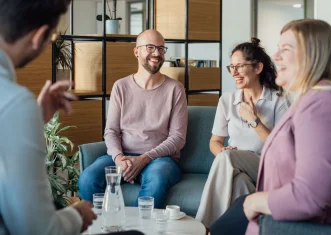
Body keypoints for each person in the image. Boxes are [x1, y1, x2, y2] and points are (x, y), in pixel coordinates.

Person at [210, 19, 331, 235]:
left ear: (312, 54)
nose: (276, 56)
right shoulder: (311, 100)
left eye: (285, 49)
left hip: (285, 218)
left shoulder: (323, 106)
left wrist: (255, 202)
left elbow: (310, 196)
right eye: (277, 49)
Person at [0, 0, 98, 234]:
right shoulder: (14, 102)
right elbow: (39, 230)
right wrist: (77, 214)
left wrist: (34, 118)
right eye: (52, 38)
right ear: (40, 35)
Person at [78, 29, 188, 209]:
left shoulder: (175, 89)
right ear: (136, 51)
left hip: (160, 160)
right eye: (150, 47)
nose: (157, 53)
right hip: (123, 155)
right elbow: (111, 131)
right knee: (87, 179)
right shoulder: (120, 87)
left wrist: (144, 158)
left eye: (161, 48)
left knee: (157, 180)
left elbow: (177, 138)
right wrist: (119, 158)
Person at [195, 38, 289, 228]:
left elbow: (282, 149)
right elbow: (215, 141)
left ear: (258, 68)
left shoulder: (278, 101)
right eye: (231, 67)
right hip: (236, 167)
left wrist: (254, 120)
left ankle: (202, 227)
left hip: (268, 166)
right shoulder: (227, 101)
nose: (234, 72)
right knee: (239, 183)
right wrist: (224, 154)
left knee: (228, 158)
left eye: (240, 66)